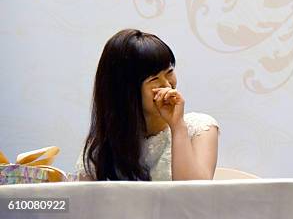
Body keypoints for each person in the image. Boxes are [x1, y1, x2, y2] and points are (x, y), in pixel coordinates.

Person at [76, 29, 219, 181]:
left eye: (169, 72)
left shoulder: (200, 129)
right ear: (126, 91)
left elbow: (196, 196)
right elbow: (88, 202)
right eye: (154, 79)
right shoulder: (100, 148)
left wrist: (178, 127)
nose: (167, 85)